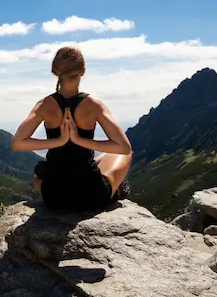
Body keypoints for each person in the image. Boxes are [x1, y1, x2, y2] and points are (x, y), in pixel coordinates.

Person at [11, 46, 132, 211]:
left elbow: (18, 143)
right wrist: (78, 140)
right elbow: (124, 148)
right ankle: (114, 189)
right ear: (82, 71)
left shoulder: (44, 105)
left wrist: (59, 141)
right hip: (92, 196)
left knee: (38, 173)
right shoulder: (94, 105)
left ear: (55, 72)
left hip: (55, 197)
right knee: (123, 155)